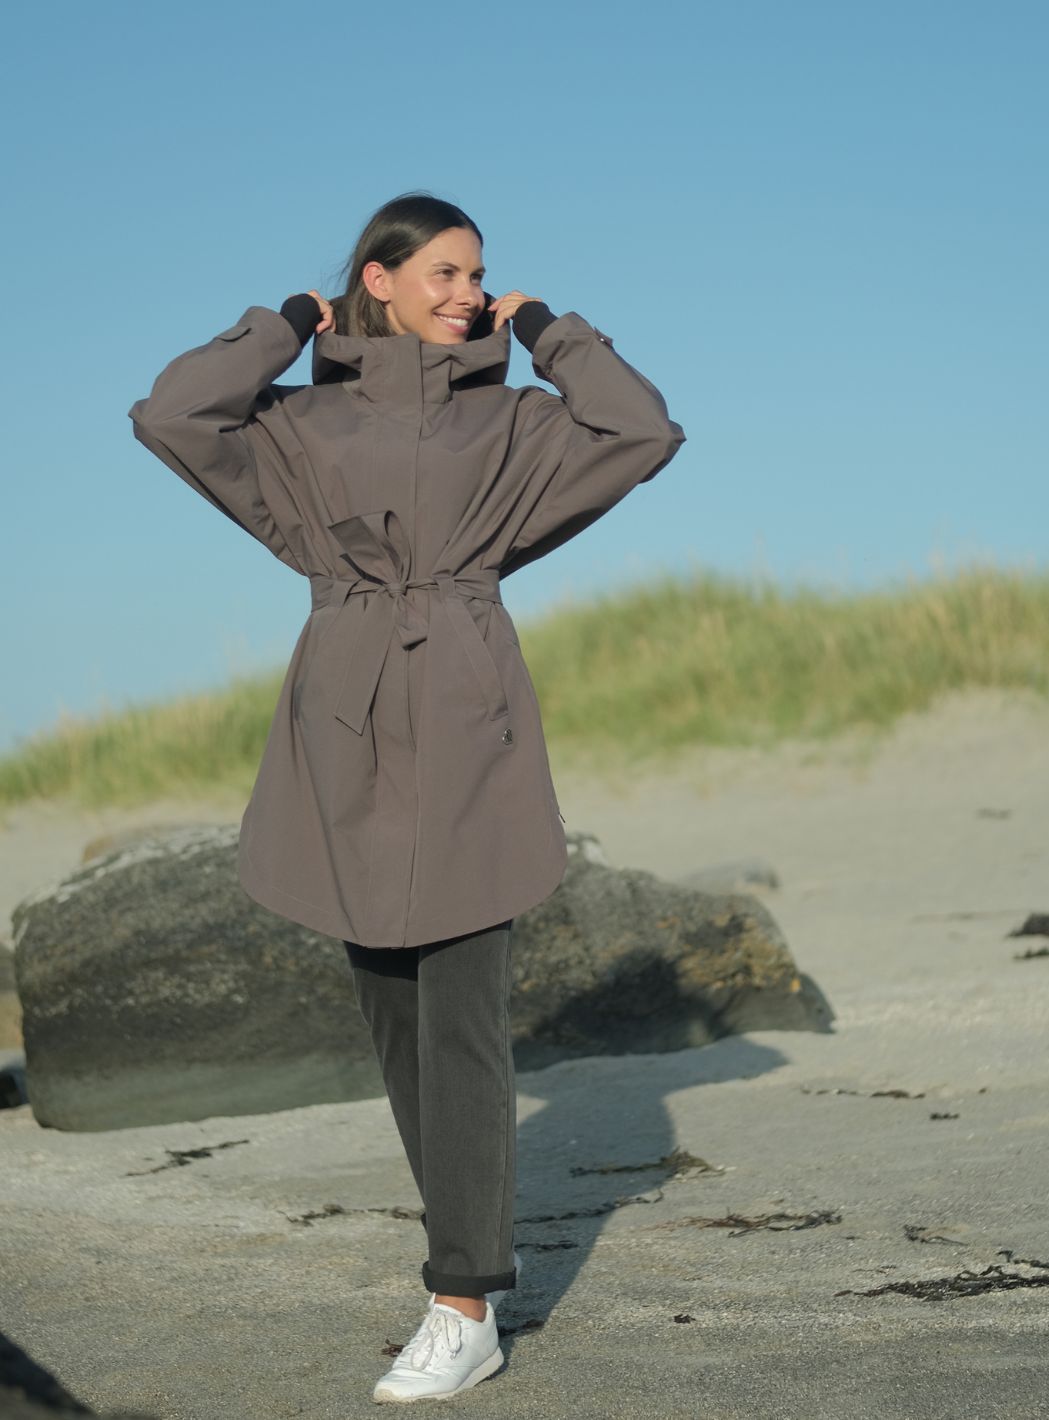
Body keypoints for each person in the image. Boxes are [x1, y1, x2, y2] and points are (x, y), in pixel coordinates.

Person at [128, 191, 685, 1403]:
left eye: (480, 275)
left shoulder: (516, 422)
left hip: (469, 722)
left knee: (462, 1016)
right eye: (446, 273)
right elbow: (170, 413)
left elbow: (642, 428)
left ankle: (463, 1300)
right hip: (343, 724)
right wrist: (285, 322)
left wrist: (546, 328)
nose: (470, 294)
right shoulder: (298, 421)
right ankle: (472, 1258)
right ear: (377, 280)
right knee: (394, 1019)